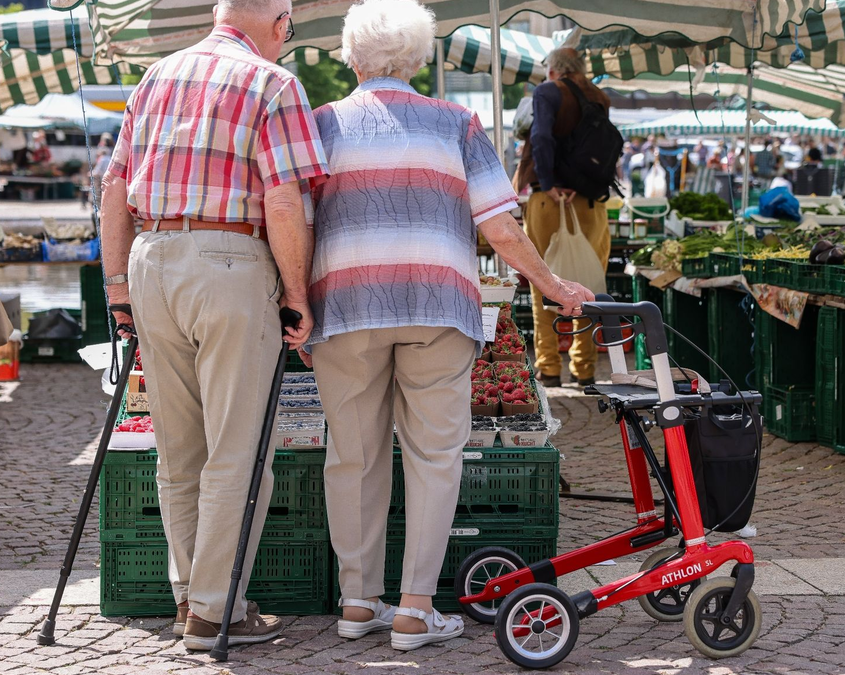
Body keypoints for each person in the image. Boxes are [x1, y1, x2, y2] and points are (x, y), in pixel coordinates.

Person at [306, 0, 594, 650]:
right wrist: (554, 286)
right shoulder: (457, 124)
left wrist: (296, 303)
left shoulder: (321, 125)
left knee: (352, 456)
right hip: (439, 306)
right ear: (418, 58)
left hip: (346, 306)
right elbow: (500, 228)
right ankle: (412, 610)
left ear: (352, 57)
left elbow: (294, 222)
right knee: (435, 456)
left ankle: (358, 602)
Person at [99, 0, 329, 650]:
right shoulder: (272, 82)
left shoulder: (157, 75)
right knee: (239, 450)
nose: (287, 35)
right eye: (287, 23)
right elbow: (284, 199)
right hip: (229, 259)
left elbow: (115, 188)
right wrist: (295, 293)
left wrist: (118, 285)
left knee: (179, 451)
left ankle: (191, 598)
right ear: (275, 21)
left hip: (153, 257)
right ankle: (213, 609)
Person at [512, 46, 612, 387]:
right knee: (588, 286)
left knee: (543, 282)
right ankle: (584, 371)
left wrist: (551, 182)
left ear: (552, 70)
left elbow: (540, 138)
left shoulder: (547, 92)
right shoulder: (598, 96)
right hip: (590, 204)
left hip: (547, 201)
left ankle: (549, 368)